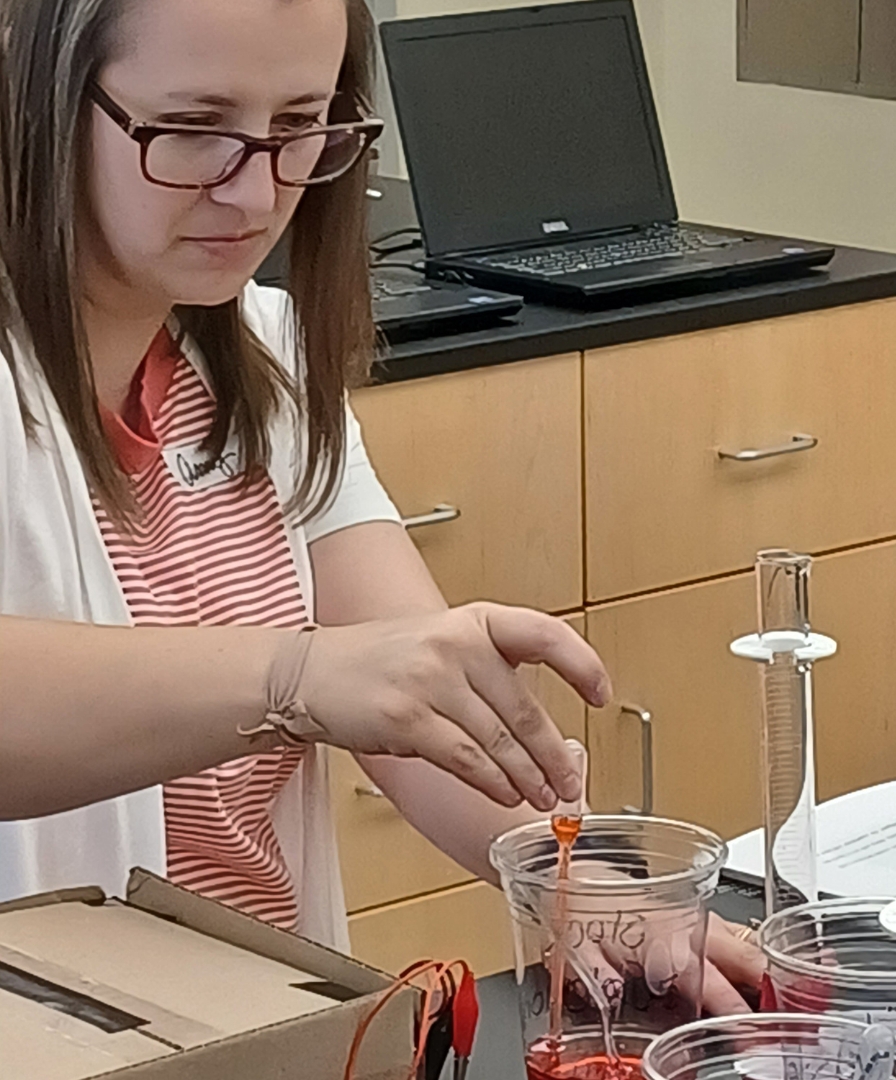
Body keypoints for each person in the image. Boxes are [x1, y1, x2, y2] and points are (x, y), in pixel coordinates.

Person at [0, 0, 762, 1012]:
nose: (256, 191)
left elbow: (410, 693)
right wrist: (300, 674)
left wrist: (585, 889)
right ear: (37, 91)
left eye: (299, 125)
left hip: (252, 1024)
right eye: (193, 131)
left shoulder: (262, 356)